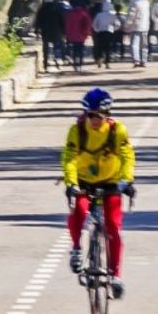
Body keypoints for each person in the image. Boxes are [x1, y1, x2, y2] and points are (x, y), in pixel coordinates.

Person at [62, 86, 136, 298]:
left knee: (113, 225)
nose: (94, 120)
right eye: (90, 115)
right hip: (84, 181)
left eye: (99, 116)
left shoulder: (117, 131)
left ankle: (116, 275)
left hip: (111, 182)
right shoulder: (77, 131)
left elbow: (127, 156)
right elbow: (69, 158)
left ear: (107, 114)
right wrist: (71, 183)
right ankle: (76, 248)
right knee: (79, 210)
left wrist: (126, 180)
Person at [34, 0, 66, 68]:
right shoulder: (57, 8)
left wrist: (37, 31)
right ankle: (58, 61)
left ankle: (45, 63)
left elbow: (38, 21)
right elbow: (62, 20)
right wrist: (64, 31)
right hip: (56, 31)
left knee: (46, 47)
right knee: (56, 46)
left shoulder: (42, 9)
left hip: (45, 31)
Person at [62, 0, 94, 69]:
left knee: (74, 49)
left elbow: (68, 25)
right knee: (81, 49)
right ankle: (80, 64)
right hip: (82, 35)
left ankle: (75, 63)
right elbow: (88, 24)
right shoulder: (84, 14)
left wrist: (67, 34)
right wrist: (87, 33)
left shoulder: (71, 14)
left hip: (73, 35)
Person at [90, 0, 119, 68]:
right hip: (109, 33)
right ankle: (107, 63)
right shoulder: (112, 15)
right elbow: (117, 24)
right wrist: (114, 29)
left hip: (100, 33)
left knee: (100, 47)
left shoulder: (99, 15)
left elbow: (94, 24)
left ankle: (99, 60)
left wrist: (97, 30)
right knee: (108, 48)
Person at [125, 0, 151, 66]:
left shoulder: (133, 1)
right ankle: (144, 60)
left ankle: (136, 60)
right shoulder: (146, 1)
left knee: (134, 44)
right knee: (144, 45)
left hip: (135, 26)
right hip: (145, 25)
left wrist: (127, 24)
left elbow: (131, 14)